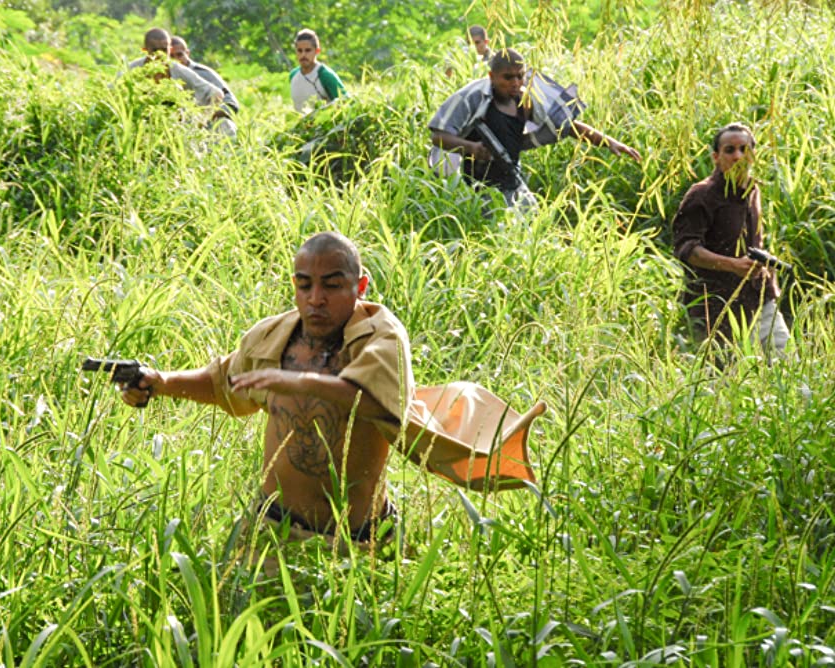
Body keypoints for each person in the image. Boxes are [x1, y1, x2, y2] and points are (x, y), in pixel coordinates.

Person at [118, 232, 545, 544]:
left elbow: (373, 400)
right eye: (305, 285)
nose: (316, 298)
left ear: (360, 287)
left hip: (358, 541)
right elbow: (223, 382)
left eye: (332, 285)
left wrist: (302, 381)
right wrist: (161, 382)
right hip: (273, 530)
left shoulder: (382, 339)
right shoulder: (273, 338)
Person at [429, 48, 641, 213]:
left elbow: (566, 127)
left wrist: (608, 141)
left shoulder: (526, 100)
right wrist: (471, 148)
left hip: (511, 177)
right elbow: (438, 136)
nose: (515, 83)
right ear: (492, 76)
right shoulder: (472, 98)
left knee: (533, 221)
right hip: (474, 185)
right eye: (508, 77)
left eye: (520, 76)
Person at [672, 122, 790, 357]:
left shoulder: (753, 190)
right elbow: (687, 249)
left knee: (786, 362)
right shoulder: (701, 195)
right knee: (725, 372)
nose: (738, 156)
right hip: (716, 306)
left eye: (744, 149)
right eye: (730, 150)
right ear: (716, 157)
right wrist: (732, 265)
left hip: (758, 298)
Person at [128, 28, 224, 109]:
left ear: (170, 49)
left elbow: (216, 93)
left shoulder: (177, 70)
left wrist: (203, 118)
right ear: (145, 50)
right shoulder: (132, 69)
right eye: (155, 50)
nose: (160, 55)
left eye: (164, 50)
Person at [169, 36, 240, 118]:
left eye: (179, 55)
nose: (176, 60)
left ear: (187, 53)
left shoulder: (202, 73)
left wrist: (210, 116)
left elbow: (230, 101)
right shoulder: (163, 75)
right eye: (171, 56)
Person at [289, 29, 347, 114]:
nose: (303, 55)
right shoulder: (293, 75)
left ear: (317, 51)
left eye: (308, 50)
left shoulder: (325, 75)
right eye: (300, 50)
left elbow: (346, 101)